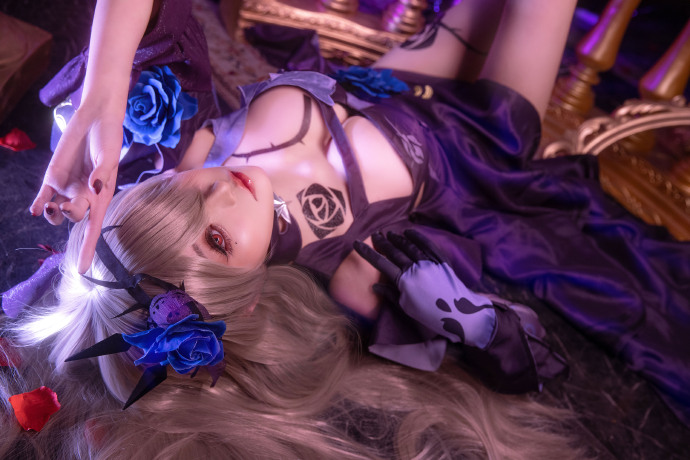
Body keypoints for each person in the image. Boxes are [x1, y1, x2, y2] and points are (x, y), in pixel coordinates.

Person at [3, 0, 688, 455]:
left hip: (398, 78)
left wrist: (105, 84)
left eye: (174, 200)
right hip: (482, 136)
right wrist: (456, 313)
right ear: (244, 300)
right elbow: (516, 355)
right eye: (217, 240)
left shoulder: (176, 138)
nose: (220, 194)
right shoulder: (345, 270)